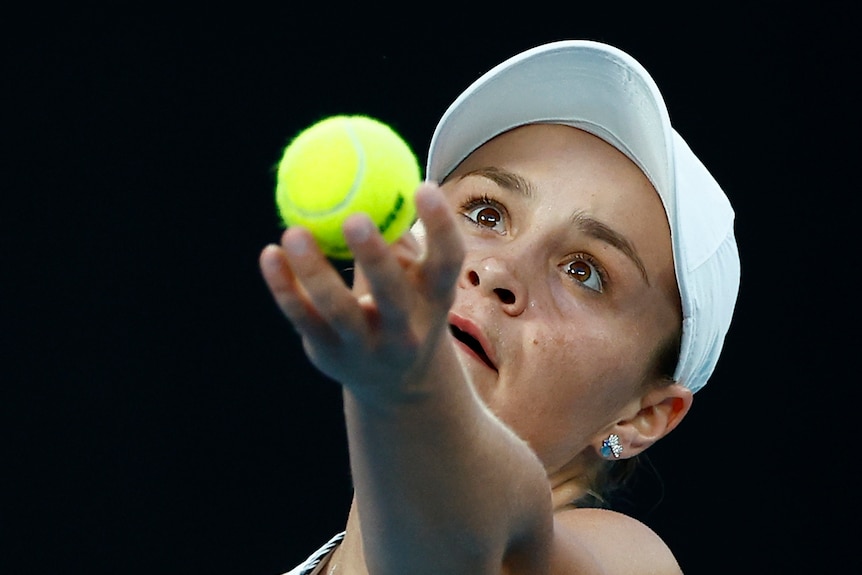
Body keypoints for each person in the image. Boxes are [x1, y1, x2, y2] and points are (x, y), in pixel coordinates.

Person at [260, 39, 740, 575]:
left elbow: (478, 535)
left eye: (585, 273)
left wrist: (406, 395)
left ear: (642, 416)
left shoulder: (628, 561)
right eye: (486, 213)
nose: (498, 270)